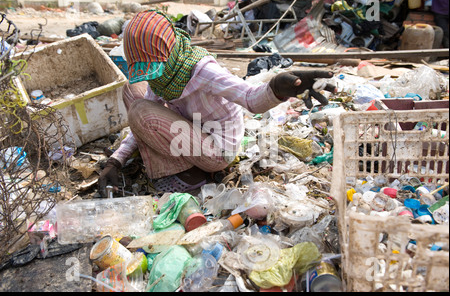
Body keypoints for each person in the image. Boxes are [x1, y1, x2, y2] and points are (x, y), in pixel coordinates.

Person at [98, 10, 335, 196]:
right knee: (132, 90)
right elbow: (141, 116)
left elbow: (251, 99)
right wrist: (115, 161)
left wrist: (275, 88)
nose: (152, 76)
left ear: (169, 51)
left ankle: (189, 175)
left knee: (141, 110)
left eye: (154, 68)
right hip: (194, 132)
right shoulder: (163, 78)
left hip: (217, 150)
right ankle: (175, 162)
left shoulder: (202, 71)